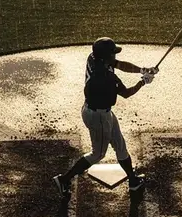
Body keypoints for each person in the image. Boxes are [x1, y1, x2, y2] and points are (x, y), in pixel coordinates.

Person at [53, 37, 158, 196]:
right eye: (112, 53)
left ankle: (133, 181)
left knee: (120, 145)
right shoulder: (106, 78)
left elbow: (120, 65)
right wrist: (143, 82)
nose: (115, 55)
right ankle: (64, 179)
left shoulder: (93, 58)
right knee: (98, 154)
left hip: (99, 111)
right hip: (98, 117)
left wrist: (142, 70)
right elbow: (126, 93)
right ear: (106, 57)